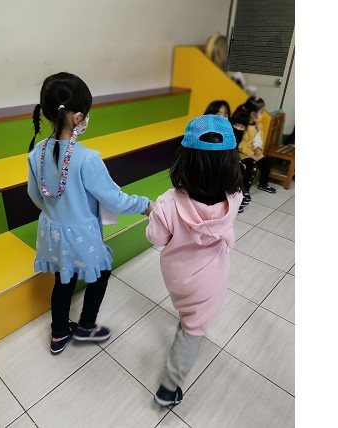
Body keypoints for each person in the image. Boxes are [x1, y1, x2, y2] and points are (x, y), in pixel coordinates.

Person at [27, 72, 153, 355]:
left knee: (63, 281)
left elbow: (35, 196)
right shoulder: (87, 158)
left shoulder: (36, 153)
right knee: (101, 273)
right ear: (77, 118)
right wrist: (145, 204)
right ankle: (85, 326)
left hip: (52, 232)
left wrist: (58, 214)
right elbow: (115, 200)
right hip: (81, 234)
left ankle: (59, 334)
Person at [145, 115, 245, 406]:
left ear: (184, 159)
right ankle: (168, 388)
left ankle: (186, 314)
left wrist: (153, 214)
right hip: (210, 279)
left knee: (187, 311)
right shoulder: (235, 197)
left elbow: (156, 237)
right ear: (231, 161)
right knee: (193, 329)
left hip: (178, 277)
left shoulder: (167, 203)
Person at [231, 96, 277, 212]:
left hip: (254, 153)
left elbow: (258, 140)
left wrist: (259, 149)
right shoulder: (242, 124)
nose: (262, 114)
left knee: (266, 162)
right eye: (261, 112)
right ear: (252, 113)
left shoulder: (257, 125)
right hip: (243, 154)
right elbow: (240, 144)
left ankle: (263, 184)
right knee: (249, 166)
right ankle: (245, 190)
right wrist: (251, 154)